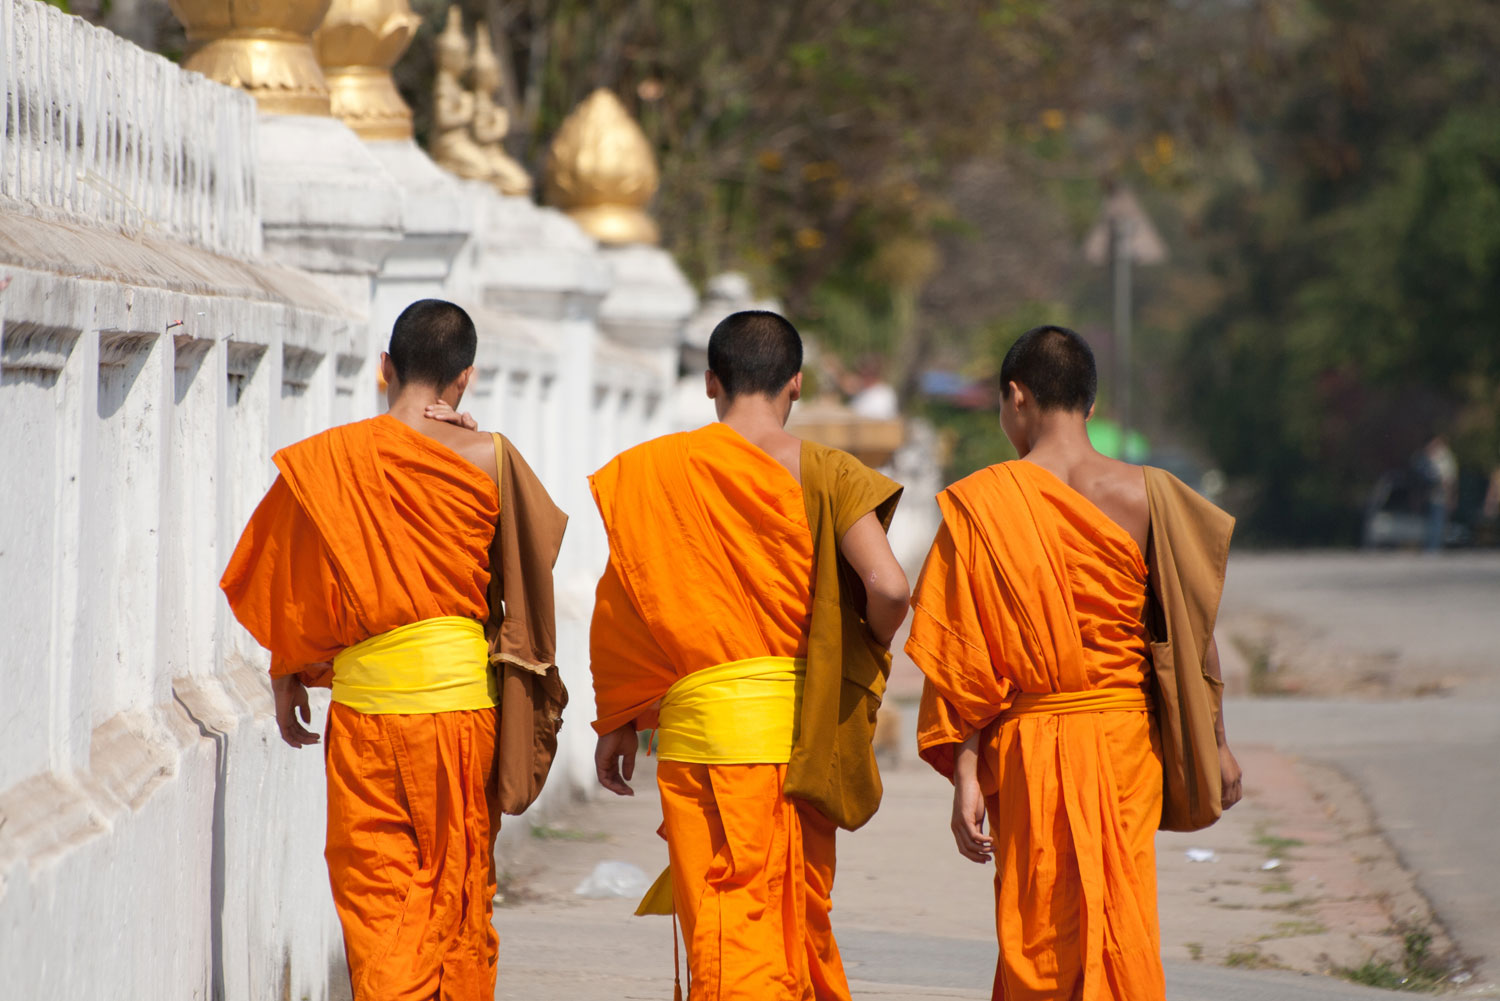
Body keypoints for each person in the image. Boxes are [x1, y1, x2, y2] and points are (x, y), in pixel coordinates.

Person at [220, 299, 566, 1001]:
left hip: (365, 718)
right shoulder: (490, 455)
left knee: (378, 900)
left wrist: (287, 675)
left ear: (385, 369)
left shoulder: (328, 461)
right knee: (454, 892)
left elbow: (288, 578)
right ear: (463, 379)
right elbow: (533, 559)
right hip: (460, 716)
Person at [905, 325, 1243, 1001]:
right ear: (1089, 405)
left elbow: (963, 658)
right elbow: (1191, 633)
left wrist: (967, 771)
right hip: (1125, 743)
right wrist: (1219, 744)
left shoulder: (982, 503)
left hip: (1029, 747)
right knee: (1120, 916)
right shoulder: (1152, 496)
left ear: (1016, 397)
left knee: (1037, 934)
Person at [589, 310, 910, 1000]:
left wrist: (619, 717)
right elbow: (889, 585)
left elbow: (624, 604)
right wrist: (859, 647)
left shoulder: (655, 471)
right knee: (780, 925)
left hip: (695, 734)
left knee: (722, 921)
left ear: (711, 382)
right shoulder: (826, 470)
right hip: (789, 738)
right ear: (795, 384)